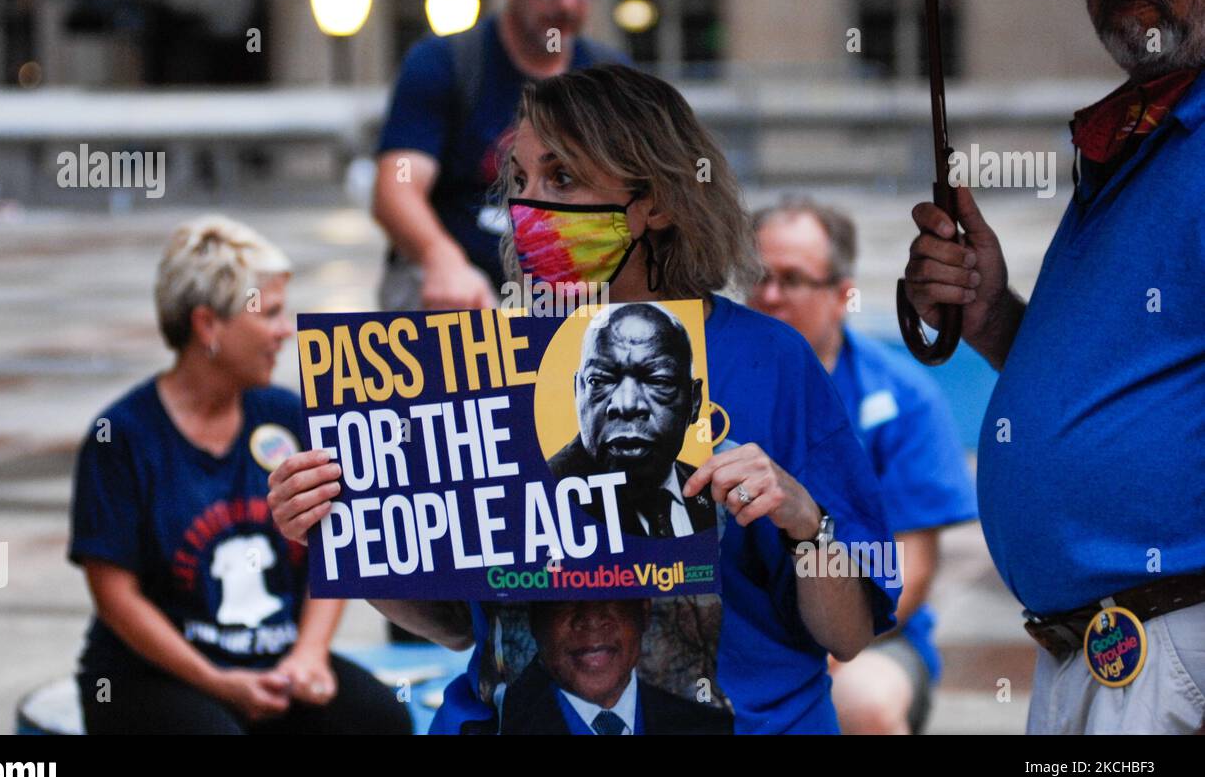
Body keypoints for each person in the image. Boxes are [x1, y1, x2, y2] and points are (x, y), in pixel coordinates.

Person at [271, 65, 901, 734]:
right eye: (519, 181)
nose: (526, 206)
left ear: (655, 200)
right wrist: (344, 532)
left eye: (561, 178)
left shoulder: (771, 360)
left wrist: (804, 518)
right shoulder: (483, 363)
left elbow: (850, 633)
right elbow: (453, 624)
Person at [902, 0, 1205, 734]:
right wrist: (992, 315)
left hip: (1172, 654)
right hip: (1100, 659)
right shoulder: (1141, 135)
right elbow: (1131, 382)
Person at [68, 215, 411, 735]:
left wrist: (309, 657)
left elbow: (334, 546)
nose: (286, 330)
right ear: (207, 325)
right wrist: (217, 682)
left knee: (380, 719)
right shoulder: (122, 436)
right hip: (153, 675)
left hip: (273, 663)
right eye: (270, 313)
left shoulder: (284, 414)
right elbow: (115, 597)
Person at [750, 199, 977, 734]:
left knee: (864, 705)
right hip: (739, 633)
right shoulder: (711, 385)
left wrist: (832, 646)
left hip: (871, 639)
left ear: (842, 294)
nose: (770, 295)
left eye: (792, 279)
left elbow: (910, 570)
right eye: (758, 277)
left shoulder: (903, 397)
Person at [373, 0, 628, 312]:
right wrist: (441, 258)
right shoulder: (447, 63)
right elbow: (395, 188)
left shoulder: (611, 75)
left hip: (572, 292)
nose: (566, 4)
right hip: (463, 294)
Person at [546, 302, 716, 538]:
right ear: (578, 392)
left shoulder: (711, 493)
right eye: (600, 381)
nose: (626, 404)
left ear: (694, 401)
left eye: (659, 381)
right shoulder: (541, 495)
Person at [500, 601, 733, 734]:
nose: (591, 618)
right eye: (564, 595)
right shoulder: (496, 727)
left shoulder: (715, 729)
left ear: (644, 611)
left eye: (612, 587)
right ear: (535, 619)